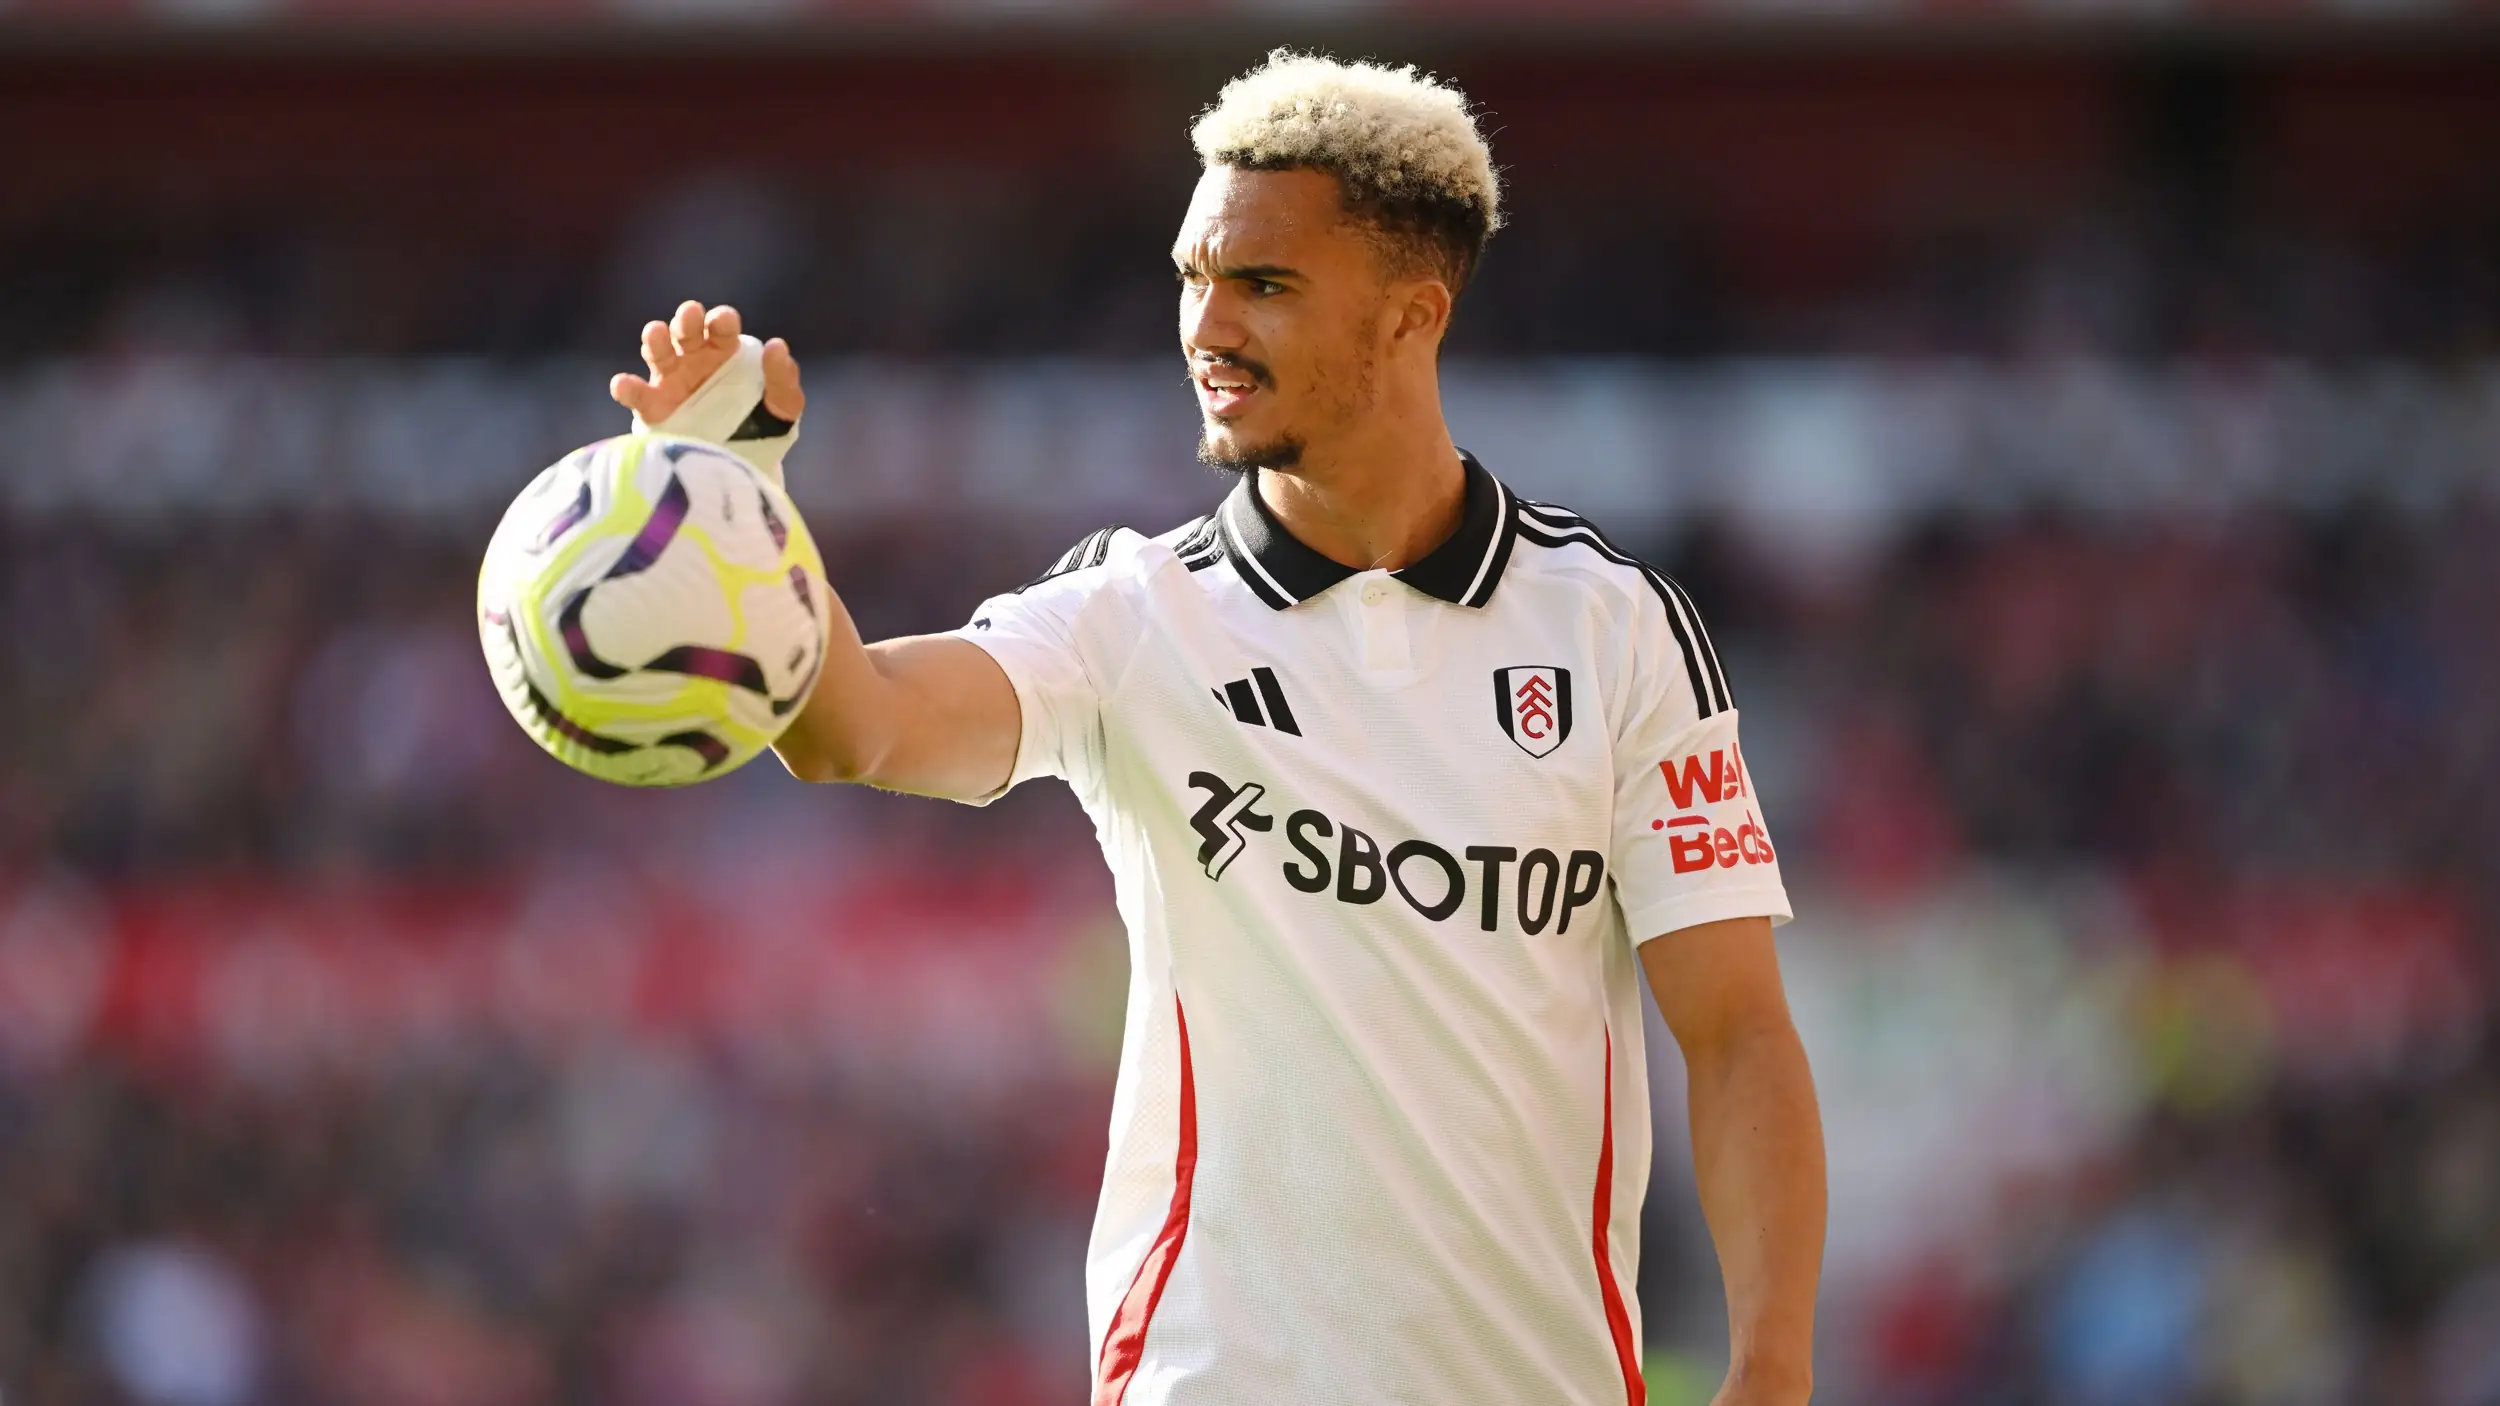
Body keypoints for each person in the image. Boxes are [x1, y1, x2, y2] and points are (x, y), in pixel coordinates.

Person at [610, 50, 1824, 1406]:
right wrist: (742, 509)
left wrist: (1772, 1363)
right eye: (1192, 274)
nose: (1206, 323)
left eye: (1264, 283)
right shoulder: (1133, 615)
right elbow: (858, 729)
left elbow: (1737, 1034)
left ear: (1414, 316)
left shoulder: (1616, 632)